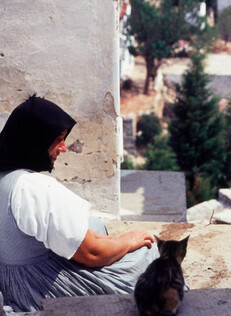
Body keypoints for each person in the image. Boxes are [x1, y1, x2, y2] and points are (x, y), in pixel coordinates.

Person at [0, 95, 158, 312]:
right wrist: (129, 241)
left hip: (10, 280)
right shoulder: (30, 188)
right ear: (34, 140)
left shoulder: (5, 178)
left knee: (94, 225)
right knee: (148, 255)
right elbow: (93, 254)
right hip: (37, 288)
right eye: (57, 139)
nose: (63, 148)